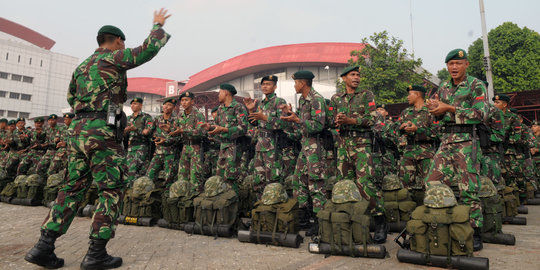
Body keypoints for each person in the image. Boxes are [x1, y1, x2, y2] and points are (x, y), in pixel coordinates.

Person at [25, 9, 171, 269]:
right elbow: (148, 50)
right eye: (122, 43)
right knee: (111, 189)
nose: (124, 46)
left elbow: (71, 98)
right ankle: (96, 253)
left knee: (71, 188)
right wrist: (157, 26)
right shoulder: (114, 57)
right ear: (116, 41)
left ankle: (43, 246)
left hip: (78, 131)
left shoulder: (82, 67)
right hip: (102, 132)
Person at [425, 48, 487, 251]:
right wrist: (434, 109)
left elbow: (480, 115)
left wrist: (449, 108)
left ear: (466, 64)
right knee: (432, 181)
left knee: (468, 189)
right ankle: (446, 222)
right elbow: (437, 116)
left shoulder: (476, 85)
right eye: (450, 64)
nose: (454, 67)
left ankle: (474, 231)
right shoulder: (443, 86)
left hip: (467, 140)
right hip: (447, 139)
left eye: (458, 63)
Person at [328, 66, 387, 242]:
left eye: (358, 75)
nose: (356, 78)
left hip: (362, 145)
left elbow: (372, 119)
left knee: (365, 183)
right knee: (345, 183)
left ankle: (380, 221)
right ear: (344, 78)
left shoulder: (366, 95)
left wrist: (351, 120)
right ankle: (352, 222)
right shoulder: (336, 98)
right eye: (353, 75)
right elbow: (331, 120)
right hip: (343, 145)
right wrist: (336, 121)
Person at [280, 70, 328, 236]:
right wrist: (291, 115)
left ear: (303, 83)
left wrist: (297, 120)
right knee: (299, 180)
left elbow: (318, 125)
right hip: (305, 146)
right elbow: (301, 123)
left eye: (296, 82)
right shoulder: (302, 100)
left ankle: (320, 222)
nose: (294, 85)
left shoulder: (317, 100)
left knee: (315, 184)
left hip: (316, 147)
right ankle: (304, 218)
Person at [243, 75, 288, 199]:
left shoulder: (279, 102)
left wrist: (265, 118)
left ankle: (274, 206)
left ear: (275, 87)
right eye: (263, 84)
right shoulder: (261, 103)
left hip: (273, 146)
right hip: (260, 145)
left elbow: (284, 123)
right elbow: (255, 122)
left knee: (273, 178)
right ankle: (261, 207)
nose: (265, 86)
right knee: (258, 178)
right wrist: (251, 111)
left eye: (268, 84)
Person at [201, 84, 249, 193]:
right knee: (220, 177)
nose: (218, 95)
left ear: (226, 93)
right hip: (222, 148)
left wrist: (224, 129)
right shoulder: (220, 109)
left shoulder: (238, 107)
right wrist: (210, 127)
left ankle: (234, 203)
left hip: (234, 148)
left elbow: (243, 128)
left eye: (220, 93)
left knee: (231, 178)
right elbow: (217, 127)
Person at [395, 85, 436, 206]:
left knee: (429, 184)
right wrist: (401, 128)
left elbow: (437, 133)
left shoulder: (431, 111)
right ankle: (407, 213)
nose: (408, 97)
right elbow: (394, 129)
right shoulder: (406, 112)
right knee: (404, 185)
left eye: (410, 94)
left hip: (426, 152)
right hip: (408, 151)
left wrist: (417, 129)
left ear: (417, 95)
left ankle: (430, 211)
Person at [170, 91, 206, 192]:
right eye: (182, 100)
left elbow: (201, 132)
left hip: (196, 147)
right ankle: (183, 196)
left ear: (192, 101)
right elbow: (175, 130)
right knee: (182, 174)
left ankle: (196, 195)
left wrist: (183, 131)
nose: (184, 102)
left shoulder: (198, 115)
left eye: (186, 100)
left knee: (196, 175)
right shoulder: (180, 115)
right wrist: (169, 130)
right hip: (185, 147)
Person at [124, 97, 153, 184]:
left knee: (133, 168)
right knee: (129, 168)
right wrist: (125, 131)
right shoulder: (128, 118)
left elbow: (147, 132)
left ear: (141, 106)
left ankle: (132, 188)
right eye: (132, 104)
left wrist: (135, 129)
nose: (133, 105)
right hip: (130, 147)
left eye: (135, 104)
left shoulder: (146, 117)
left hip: (141, 146)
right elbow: (124, 134)